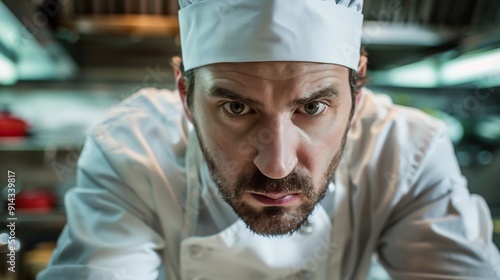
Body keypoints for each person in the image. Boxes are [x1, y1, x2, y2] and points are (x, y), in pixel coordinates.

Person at [38, 0, 500, 279]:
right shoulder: (133, 150)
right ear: (185, 95)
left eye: (313, 107)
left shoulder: (407, 152)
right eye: (236, 108)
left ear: (357, 94)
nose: (276, 166)